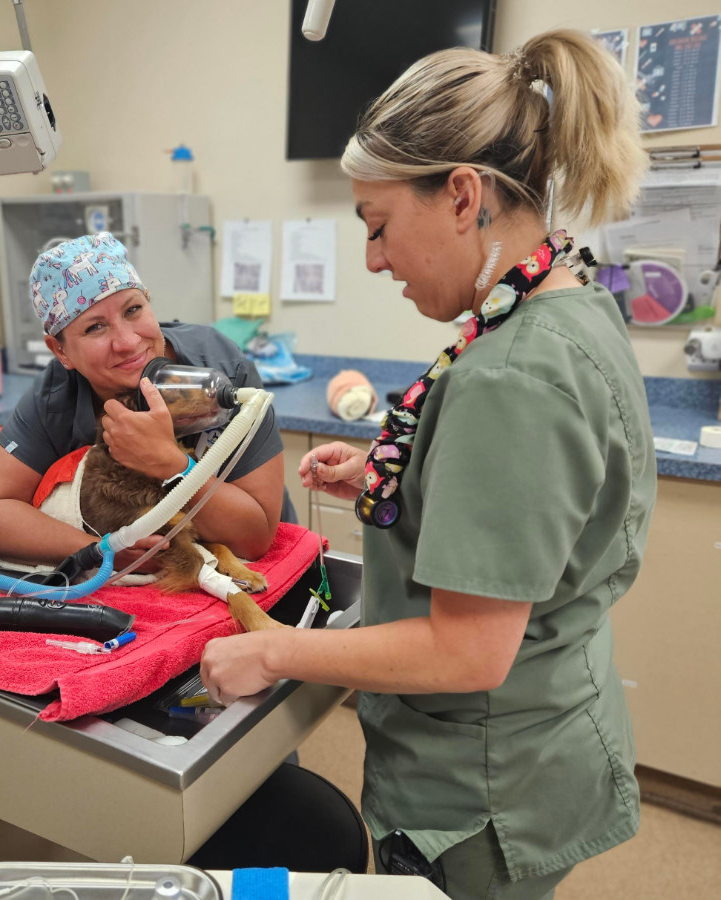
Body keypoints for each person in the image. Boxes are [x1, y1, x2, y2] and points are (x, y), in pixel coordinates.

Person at [200, 29, 657, 899]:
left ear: (460, 195)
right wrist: (400, 470)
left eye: (377, 227)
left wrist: (274, 656)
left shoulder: (510, 375)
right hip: (546, 728)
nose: (373, 259)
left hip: (481, 789)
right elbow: (544, 500)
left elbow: (465, 653)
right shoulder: (567, 306)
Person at [0, 231, 292, 570]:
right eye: (95, 328)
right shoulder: (56, 398)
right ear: (60, 351)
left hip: (256, 574)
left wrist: (170, 465)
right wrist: (101, 550)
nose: (127, 341)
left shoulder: (220, 367)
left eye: (133, 310)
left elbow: (255, 539)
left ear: (148, 301)